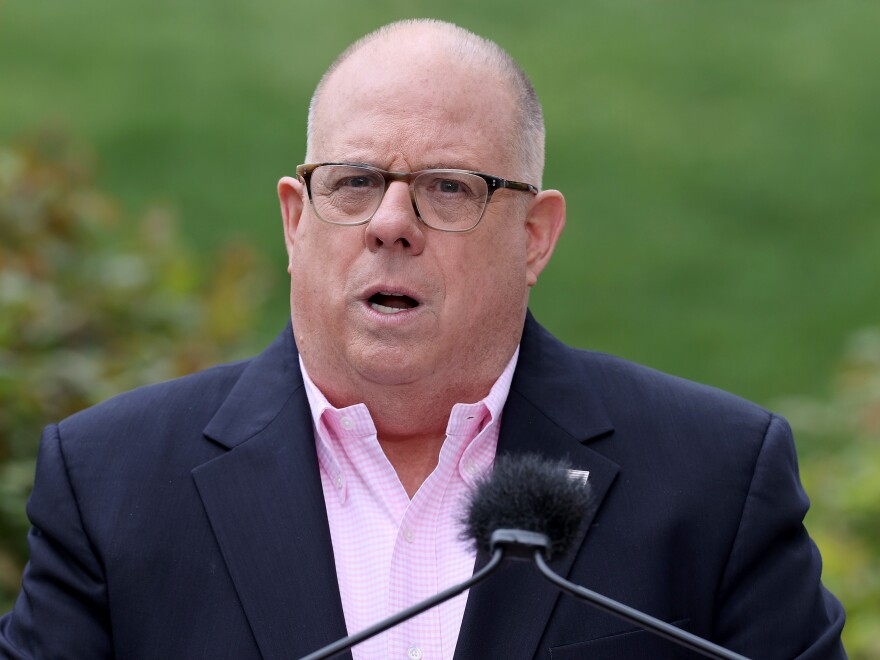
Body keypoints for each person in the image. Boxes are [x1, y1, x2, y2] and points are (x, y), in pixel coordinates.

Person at [0, 19, 845, 660]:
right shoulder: (111, 483)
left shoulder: (716, 479)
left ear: (535, 238)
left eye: (449, 188)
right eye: (357, 181)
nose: (392, 224)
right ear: (296, 221)